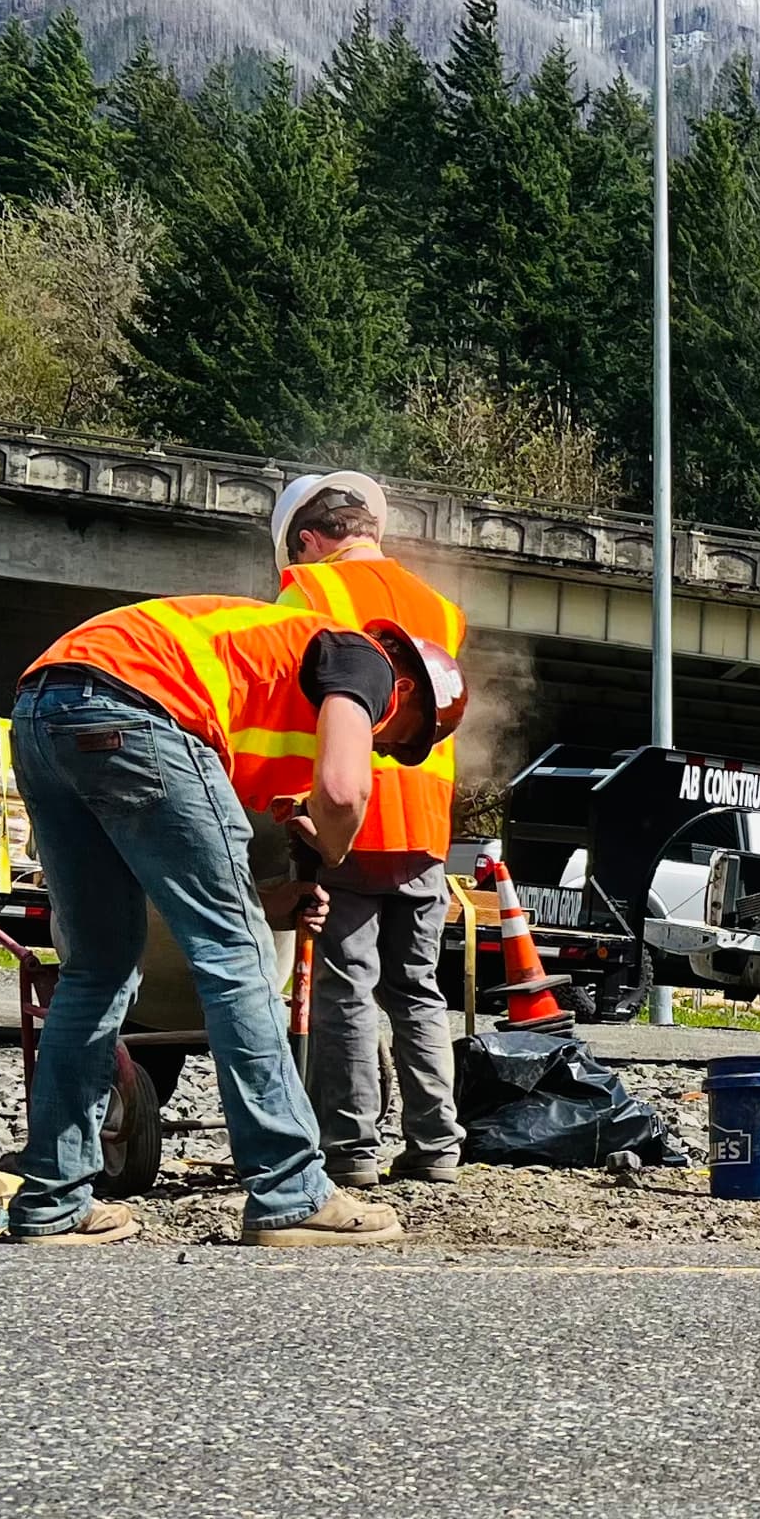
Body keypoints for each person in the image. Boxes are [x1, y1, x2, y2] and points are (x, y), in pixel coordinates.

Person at [4, 588, 464, 1248]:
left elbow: (180, 867)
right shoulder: (365, 659)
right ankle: (291, 1190)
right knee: (238, 960)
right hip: (136, 704)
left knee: (98, 967)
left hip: (44, 709)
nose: (383, 749)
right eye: (395, 742)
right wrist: (333, 843)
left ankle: (52, 1202)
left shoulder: (255, 695)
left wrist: (268, 903)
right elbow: (343, 790)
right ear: (409, 698)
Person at [270, 470, 468, 1188]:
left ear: (314, 538)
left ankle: (349, 1150)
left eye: (301, 548)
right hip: (425, 818)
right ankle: (437, 1147)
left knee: (347, 983)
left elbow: (304, 707)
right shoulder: (441, 608)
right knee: (417, 988)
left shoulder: (311, 591)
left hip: (352, 809)